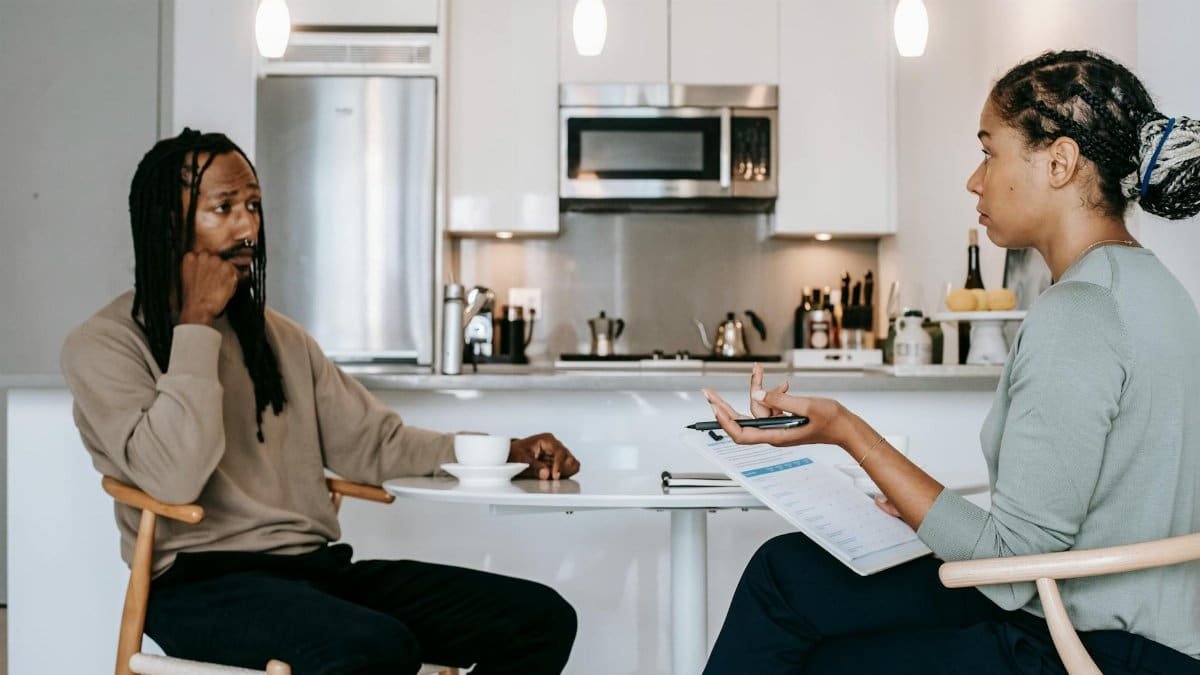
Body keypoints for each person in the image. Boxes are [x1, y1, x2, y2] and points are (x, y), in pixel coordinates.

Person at [701, 50, 1200, 674]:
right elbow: (1057, 522)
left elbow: (1012, 565)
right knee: (788, 573)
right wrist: (919, 510)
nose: (974, 180)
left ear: (1060, 162)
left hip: (1086, 644)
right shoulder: (1158, 289)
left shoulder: (1079, 311)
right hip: (1128, 630)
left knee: (822, 651)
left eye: (989, 153)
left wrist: (847, 431)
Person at [61, 129, 581, 675]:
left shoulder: (279, 339)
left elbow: (376, 444)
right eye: (224, 208)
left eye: (253, 206)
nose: (248, 228)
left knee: (540, 618)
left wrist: (506, 455)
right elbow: (174, 478)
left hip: (313, 571)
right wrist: (196, 324)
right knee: (376, 647)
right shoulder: (105, 344)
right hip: (200, 584)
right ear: (169, 223)